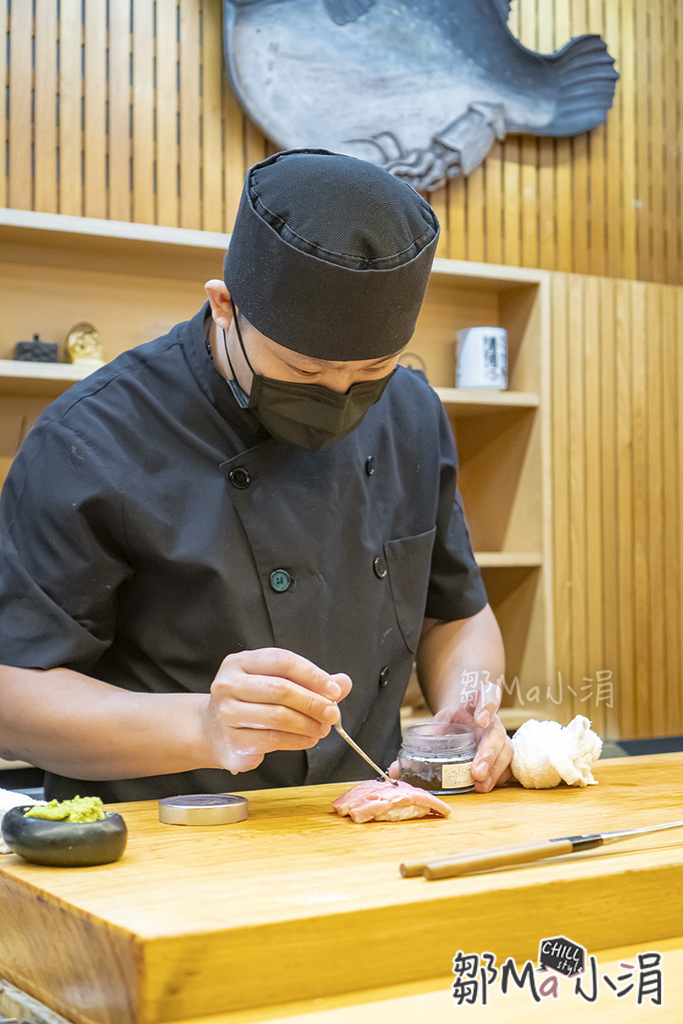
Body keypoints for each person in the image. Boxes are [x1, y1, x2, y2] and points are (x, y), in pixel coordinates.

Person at [0, 149, 512, 803]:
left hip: (364, 818)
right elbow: (14, 698)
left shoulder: (410, 410)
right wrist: (204, 726)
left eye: (370, 373)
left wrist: (468, 707)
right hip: (164, 836)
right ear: (223, 306)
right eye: (303, 373)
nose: (338, 396)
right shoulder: (92, 437)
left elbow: (456, 615)